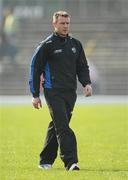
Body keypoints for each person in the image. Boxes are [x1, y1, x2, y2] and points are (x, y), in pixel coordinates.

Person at [29, 11, 92, 171]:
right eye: (62, 23)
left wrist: (86, 83)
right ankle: (71, 162)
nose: (65, 26)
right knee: (63, 126)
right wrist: (35, 95)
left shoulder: (76, 44)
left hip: (70, 92)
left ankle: (45, 161)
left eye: (67, 23)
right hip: (53, 91)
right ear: (54, 24)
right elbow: (35, 69)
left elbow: (82, 66)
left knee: (57, 125)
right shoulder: (46, 45)